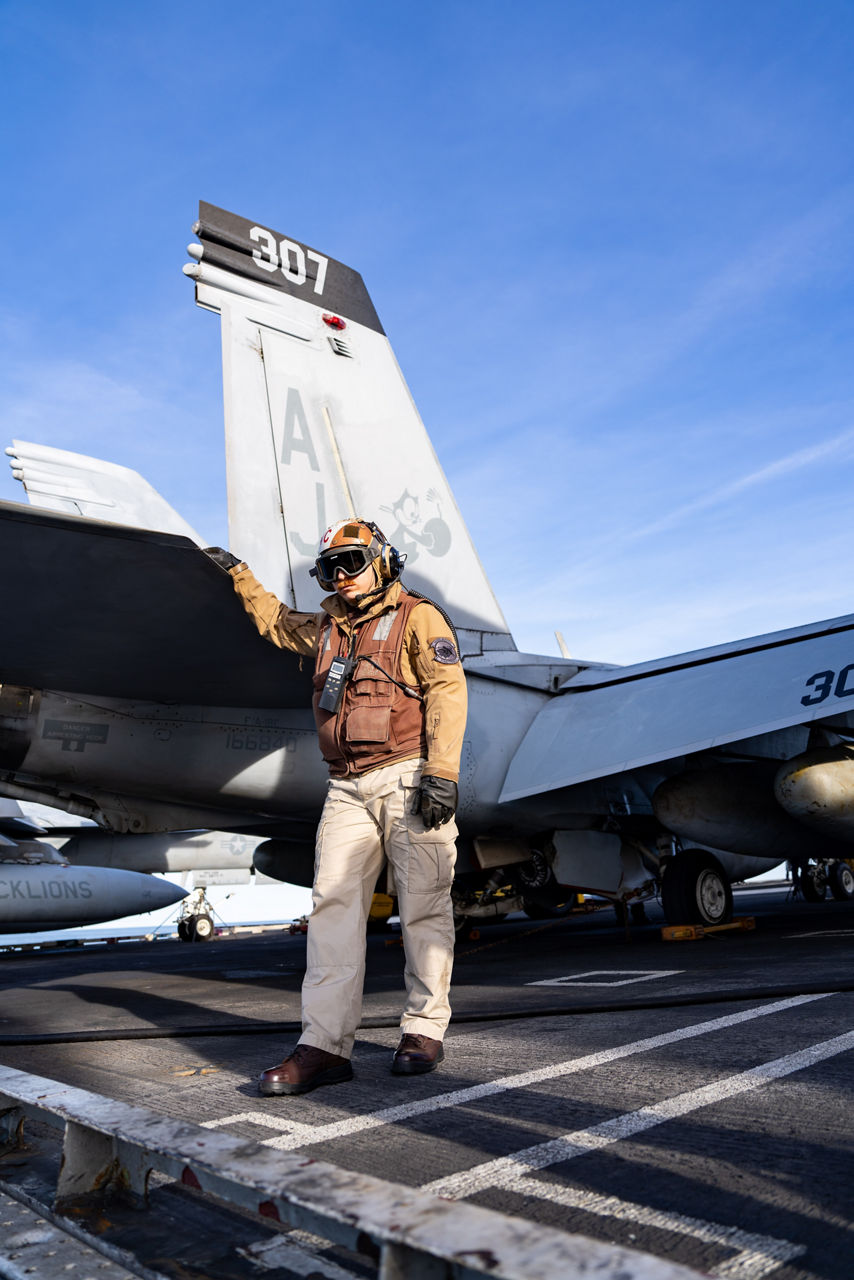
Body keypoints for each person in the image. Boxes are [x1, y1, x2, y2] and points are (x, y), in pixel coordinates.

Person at [204, 519, 467, 1096]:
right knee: (332, 914)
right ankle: (324, 1045)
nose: (341, 576)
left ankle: (423, 1029)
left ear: (382, 560)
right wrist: (239, 577)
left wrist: (440, 773)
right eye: (330, 568)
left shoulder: (418, 617)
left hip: (406, 776)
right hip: (345, 786)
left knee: (423, 906)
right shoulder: (325, 628)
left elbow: (448, 689)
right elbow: (276, 624)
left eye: (352, 562)